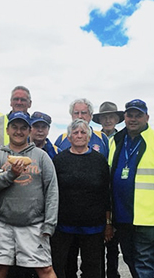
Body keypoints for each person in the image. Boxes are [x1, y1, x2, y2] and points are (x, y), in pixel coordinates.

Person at [0, 111, 59, 278]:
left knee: (45, 269)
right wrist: (10, 175)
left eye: (23, 128)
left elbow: (52, 191)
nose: (18, 131)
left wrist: (50, 224)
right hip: (3, 224)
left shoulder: (41, 156)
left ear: (29, 131)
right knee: (0, 267)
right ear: (8, 130)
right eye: (14, 127)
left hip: (34, 224)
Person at [51, 119, 111, 278]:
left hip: (93, 227)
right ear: (69, 138)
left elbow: (106, 193)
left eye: (83, 132)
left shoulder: (99, 161)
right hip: (64, 227)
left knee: (92, 270)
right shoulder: (59, 161)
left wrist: (108, 223)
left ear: (89, 137)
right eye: (75, 133)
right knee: (64, 267)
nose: (79, 135)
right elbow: (52, 193)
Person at [108, 99, 152, 278]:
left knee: (144, 261)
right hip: (122, 216)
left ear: (147, 117)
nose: (133, 119)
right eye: (130, 115)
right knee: (130, 259)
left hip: (147, 218)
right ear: (124, 117)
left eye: (138, 115)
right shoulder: (116, 141)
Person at [93, 101, 124, 278]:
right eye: (104, 116)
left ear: (117, 119)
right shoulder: (95, 139)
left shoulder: (123, 139)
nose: (108, 119)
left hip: (116, 194)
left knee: (113, 244)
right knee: (97, 244)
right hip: (99, 194)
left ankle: (113, 273)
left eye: (111, 116)